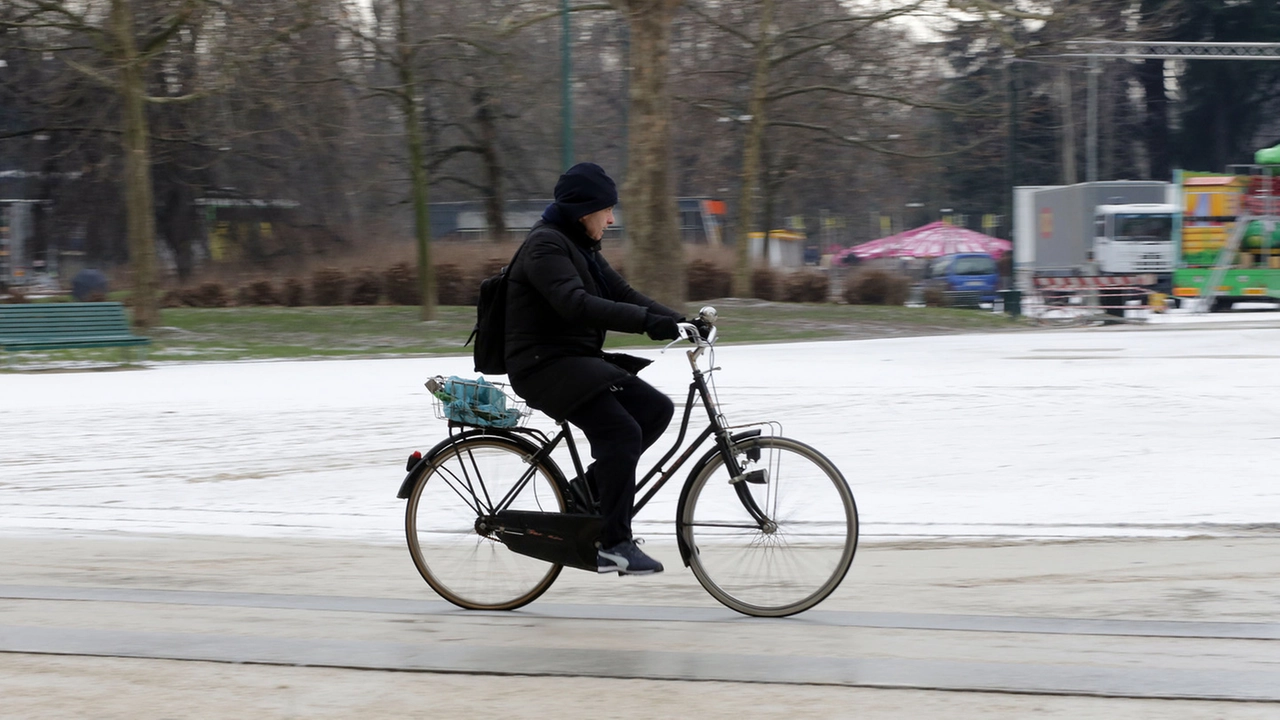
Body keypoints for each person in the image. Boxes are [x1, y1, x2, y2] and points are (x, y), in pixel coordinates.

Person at [504, 162, 684, 576]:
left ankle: (584, 494)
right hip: (542, 366)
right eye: (606, 209)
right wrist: (646, 323)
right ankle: (613, 543)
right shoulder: (545, 247)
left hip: (573, 360)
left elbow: (620, 292)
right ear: (585, 210)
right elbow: (576, 304)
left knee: (655, 410)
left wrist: (677, 320)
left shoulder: (577, 244)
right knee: (620, 432)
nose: (611, 218)